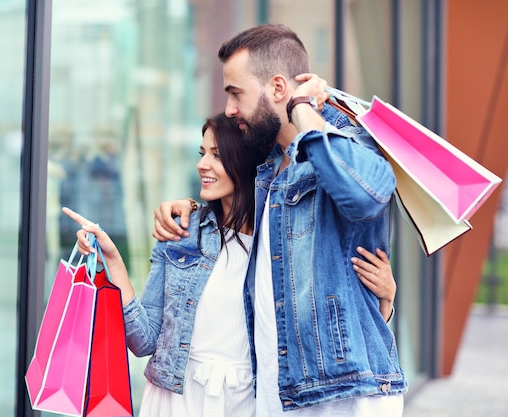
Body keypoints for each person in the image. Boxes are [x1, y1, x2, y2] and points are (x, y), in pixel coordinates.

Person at [63, 112, 398, 417]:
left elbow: (318, 329)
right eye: (202, 153)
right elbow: (143, 341)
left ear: (246, 162)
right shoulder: (181, 231)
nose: (202, 164)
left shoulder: (281, 241)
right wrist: (112, 259)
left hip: (249, 401)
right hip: (176, 400)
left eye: (218, 155)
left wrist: (384, 301)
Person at [151, 24, 408, 416]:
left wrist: (302, 108)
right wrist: (189, 208)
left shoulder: (348, 140)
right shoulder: (268, 171)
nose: (231, 108)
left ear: (276, 88)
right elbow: (231, 206)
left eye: (236, 93)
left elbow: (368, 193)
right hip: (281, 393)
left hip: (343, 395)